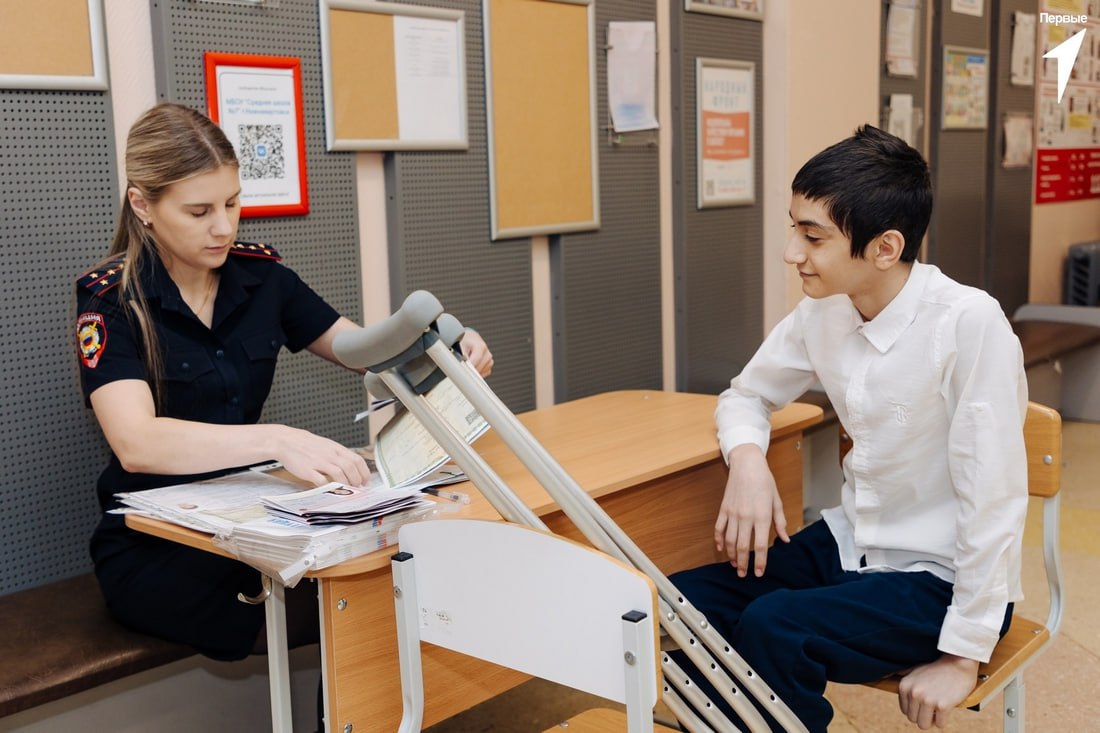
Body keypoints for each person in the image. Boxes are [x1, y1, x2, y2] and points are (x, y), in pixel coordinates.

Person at [75, 102, 494, 665]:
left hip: (255, 522)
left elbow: (360, 349)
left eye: (231, 202)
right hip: (161, 548)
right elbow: (137, 442)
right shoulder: (109, 302)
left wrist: (441, 348)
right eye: (199, 211)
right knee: (347, 605)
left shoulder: (261, 276)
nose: (224, 226)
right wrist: (275, 440)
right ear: (142, 205)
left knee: (381, 583)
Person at [667, 125, 1027, 732]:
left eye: (813, 237)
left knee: (775, 628)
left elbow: (994, 499)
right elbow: (746, 396)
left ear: (886, 248)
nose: (792, 253)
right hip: (851, 544)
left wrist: (964, 656)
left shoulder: (966, 324)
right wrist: (749, 464)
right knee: (682, 603)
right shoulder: (824, 311)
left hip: (939, 577)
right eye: (794, 228)